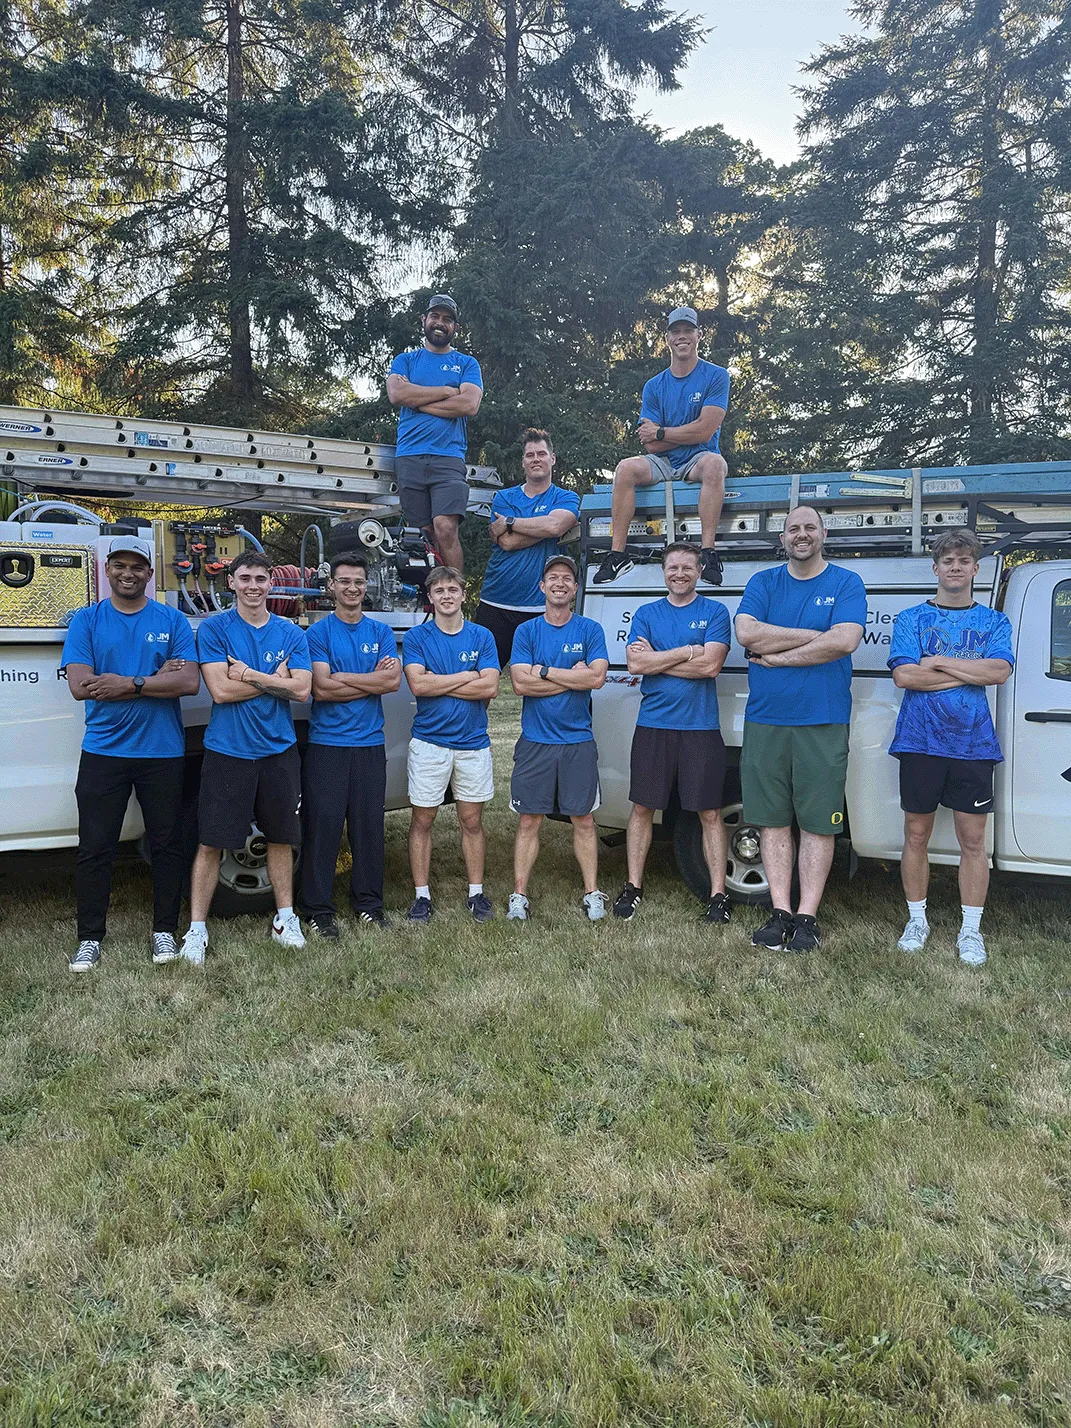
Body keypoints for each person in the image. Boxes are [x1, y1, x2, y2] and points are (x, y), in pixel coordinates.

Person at [61, 537, 201, 972]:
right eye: (119, 565)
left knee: (166, 844)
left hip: (162, 752)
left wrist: (126, 683)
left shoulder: (172, 620)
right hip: (103, 751)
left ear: (149, 573)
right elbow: (81, 686)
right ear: (107, 571)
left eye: (137, 566)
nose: (128, 573)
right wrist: (154, 677)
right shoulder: (86, 621)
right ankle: (89, 938)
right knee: (95, 848)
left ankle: (164, 931)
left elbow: (188, 683)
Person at [734, 506, 866, 952]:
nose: (802, 535)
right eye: (794, 529)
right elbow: (748, 635)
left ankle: (807, 916)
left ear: (823, 533)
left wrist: (779, 655)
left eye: (810, 527)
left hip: (823, 720)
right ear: (784, 537)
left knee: (818, 825)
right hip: (766, 719)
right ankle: (779, 912)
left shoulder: (845, 583)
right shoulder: (763, 583)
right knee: (771, 821)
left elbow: (845, 641)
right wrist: (814, 635)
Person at [888, 528, 1013, 967]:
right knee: (916, 834)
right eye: (948, 561)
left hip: (973, 745)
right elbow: (905, 677)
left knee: (973, 841)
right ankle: (917, 920)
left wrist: (938, 662)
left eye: (964, 560)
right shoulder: (911, 619)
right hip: (920, 743)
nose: (955, 567)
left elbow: (998, 671)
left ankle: (970, 931)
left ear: (976, 568)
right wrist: (969, 671)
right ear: (936, 568)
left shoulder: (994, 622)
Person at [180, 550, 312, 964]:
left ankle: (284, 919)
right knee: (211, 841)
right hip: (228, 751)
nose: (253, 586)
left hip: (278, 750)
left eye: (261, 578)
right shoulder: (215, 629)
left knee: (281, 837)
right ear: (231, 583)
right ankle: (196, 930)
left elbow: (303, 690)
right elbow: (220, 691)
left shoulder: (291, 632)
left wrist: (250, 674)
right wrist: (277, 680)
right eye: (245, 578)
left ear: (272, 584)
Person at [612, 543, 733, 923]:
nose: (679, 573)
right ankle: (633, 887)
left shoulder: (715, 611)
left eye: (687, 567)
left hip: (700, 728)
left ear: (699, 571)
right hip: (653, 726)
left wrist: (659, 659)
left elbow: (711, 667)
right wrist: (687, 651)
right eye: (672, 568)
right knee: (643, 808)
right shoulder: (648, 613)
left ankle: (718, 895)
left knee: (710, 812)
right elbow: (635, 662)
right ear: (663, 572)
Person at [299, 552, 402, 938]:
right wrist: (366, 680)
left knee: (368, 827)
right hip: (327, 744)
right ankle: (317, 909)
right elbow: (320, 688)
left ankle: (369, 905)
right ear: (331, 587)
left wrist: (344, 678)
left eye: (359, 582)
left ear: (366, 587)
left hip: (369, 744)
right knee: (322, 827)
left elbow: (391, 683)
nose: (353, 588)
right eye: (345, 581)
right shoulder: (318, 634)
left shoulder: (379, 632)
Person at [594, 305, 729, 588]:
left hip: (699, 460)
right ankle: (617, 554)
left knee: (716, 464)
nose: (682, 337)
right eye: (676, 331)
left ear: (699, 335)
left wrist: (662, 432)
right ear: (667, 338)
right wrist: (670, 435)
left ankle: (708, 553)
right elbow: (650, 444)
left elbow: (706, 431)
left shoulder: (716, 376)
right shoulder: (654, 385)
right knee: (625, 468)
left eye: (688, 331)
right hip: (664, 461)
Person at [507, 555, 610, 920]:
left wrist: (546, 672)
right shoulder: (527, 631)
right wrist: (571, 676)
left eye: (567, 578)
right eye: (553, 578)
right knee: (529, 820)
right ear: (542, 586)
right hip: (536, 740)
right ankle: (519, 895)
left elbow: (596, 679)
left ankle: (592, 893)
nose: (560, 583)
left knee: (583, 819)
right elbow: (520, 684)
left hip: (577, 740)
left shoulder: (590, 630)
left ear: (576, 587)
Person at [402, 565, 500, 923]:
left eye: (452, 589)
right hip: (429, 742)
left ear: (463, 594)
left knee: (471, 820)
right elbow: (418, 686)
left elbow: (490, 687)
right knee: (423, 818)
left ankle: (476, 893)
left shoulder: (482, 636)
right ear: (430, 597)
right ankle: (421, 896)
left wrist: (438, 679)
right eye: (439, 590)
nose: (446, 596)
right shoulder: (417, 638)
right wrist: (466, 676)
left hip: (472, 742)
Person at [387, 294, 482, 572]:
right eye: (435, 317)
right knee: (423, 537)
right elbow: (396, 394)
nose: (440, 323)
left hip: (448, 458)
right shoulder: (406, 360)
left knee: (445, 527)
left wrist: (417, 400)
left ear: (455, 327)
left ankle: (455, 593)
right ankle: (430, 598)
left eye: (447, 319)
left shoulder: (466, 363)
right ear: (424, 320)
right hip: (409, 457)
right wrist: (444, 391)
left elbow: (469, 404)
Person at [475, 428, 581, 665]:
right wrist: (548, 528)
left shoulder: (567, 497)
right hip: (496, 601)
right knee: (481, 680)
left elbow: (553, 526)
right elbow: (507, 542)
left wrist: (511, 522)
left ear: (552, 458)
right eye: (530, 455)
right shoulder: (504, 498)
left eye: (541, 454)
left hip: (541, 605)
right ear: (523, 462)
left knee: (544, 681)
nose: (536, 459)